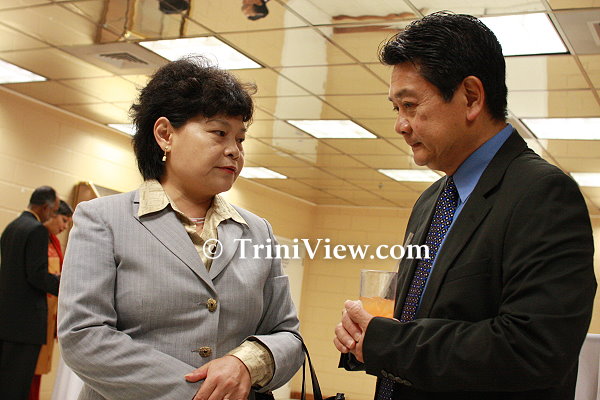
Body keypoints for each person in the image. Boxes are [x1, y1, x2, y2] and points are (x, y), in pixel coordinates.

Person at [334, 12, 596, 400]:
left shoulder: (542, 194)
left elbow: (533, 349)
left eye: (410, 105)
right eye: (396, 108)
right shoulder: (431, 201)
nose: (400, 125)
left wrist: (387, 342)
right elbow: (418, 317)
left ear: (471, 97)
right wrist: (364, 340)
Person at [57, 56, 304, 400]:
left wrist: (246, 364)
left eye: (240, 139)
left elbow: (287, 335)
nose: (234, 151)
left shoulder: (257, 231)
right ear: (165, 135)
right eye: (219, 133)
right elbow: (84, 336)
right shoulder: (103, 219)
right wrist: (203, 391)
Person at [0, 186, 60, 399]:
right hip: (26, 322)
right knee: (17, 386)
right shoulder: (37, 230)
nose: (51, 216)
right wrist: (64, 284)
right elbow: (36, 275)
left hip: (6, 318)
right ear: (45, 208)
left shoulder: (11, 227)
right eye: (53, 211)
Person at [28, 200, 73, 400]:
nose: (64, 227)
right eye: (63, 220)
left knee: (37, 371)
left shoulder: (53, 241)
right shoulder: (36, 238)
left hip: (49, 314)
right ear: (51, 215)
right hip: (34, 312)